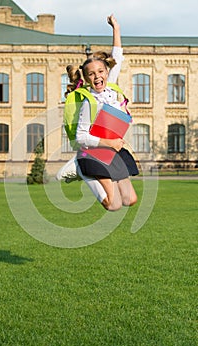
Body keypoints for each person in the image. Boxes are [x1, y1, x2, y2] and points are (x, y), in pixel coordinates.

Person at [59, 14, 139, 211]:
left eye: (101, 72)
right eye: (91, 74)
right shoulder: (89, 101)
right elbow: (81, 136)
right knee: (113, 205)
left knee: (130, 200)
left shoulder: (111, 89)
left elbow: (117, 57)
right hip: (92, 152)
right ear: (86, 79)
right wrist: (109, 142)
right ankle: (80, 170)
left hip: (113, 151)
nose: (97, 76)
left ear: (107, 72)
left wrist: (116, 29)